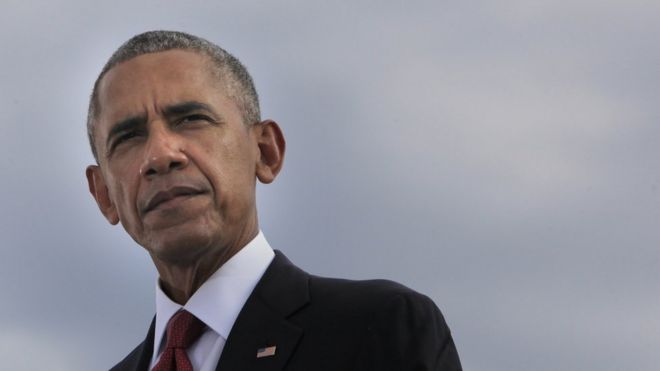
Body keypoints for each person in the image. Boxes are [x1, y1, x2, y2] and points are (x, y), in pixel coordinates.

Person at [85, 30, 462, 371]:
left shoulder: (377, 329)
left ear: (265, 151)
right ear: (104, 195)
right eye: (128, 138)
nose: (160, 154)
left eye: (190, 119)